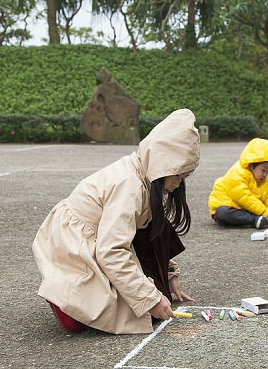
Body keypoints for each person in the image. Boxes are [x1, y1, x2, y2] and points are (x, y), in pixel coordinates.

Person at [32, 109, 200, 334]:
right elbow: (111, 251)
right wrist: (150, 300)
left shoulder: (148, 178)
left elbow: (151, 238)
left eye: (184, 178)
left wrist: (168, 276)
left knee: (154, 300)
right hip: (75, 243)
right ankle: (63, 289)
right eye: (178, 176)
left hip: (103, 238)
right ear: (163, 164)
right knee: (86, 318)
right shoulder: (129, 187)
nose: (179, 184)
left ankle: (79, 293)